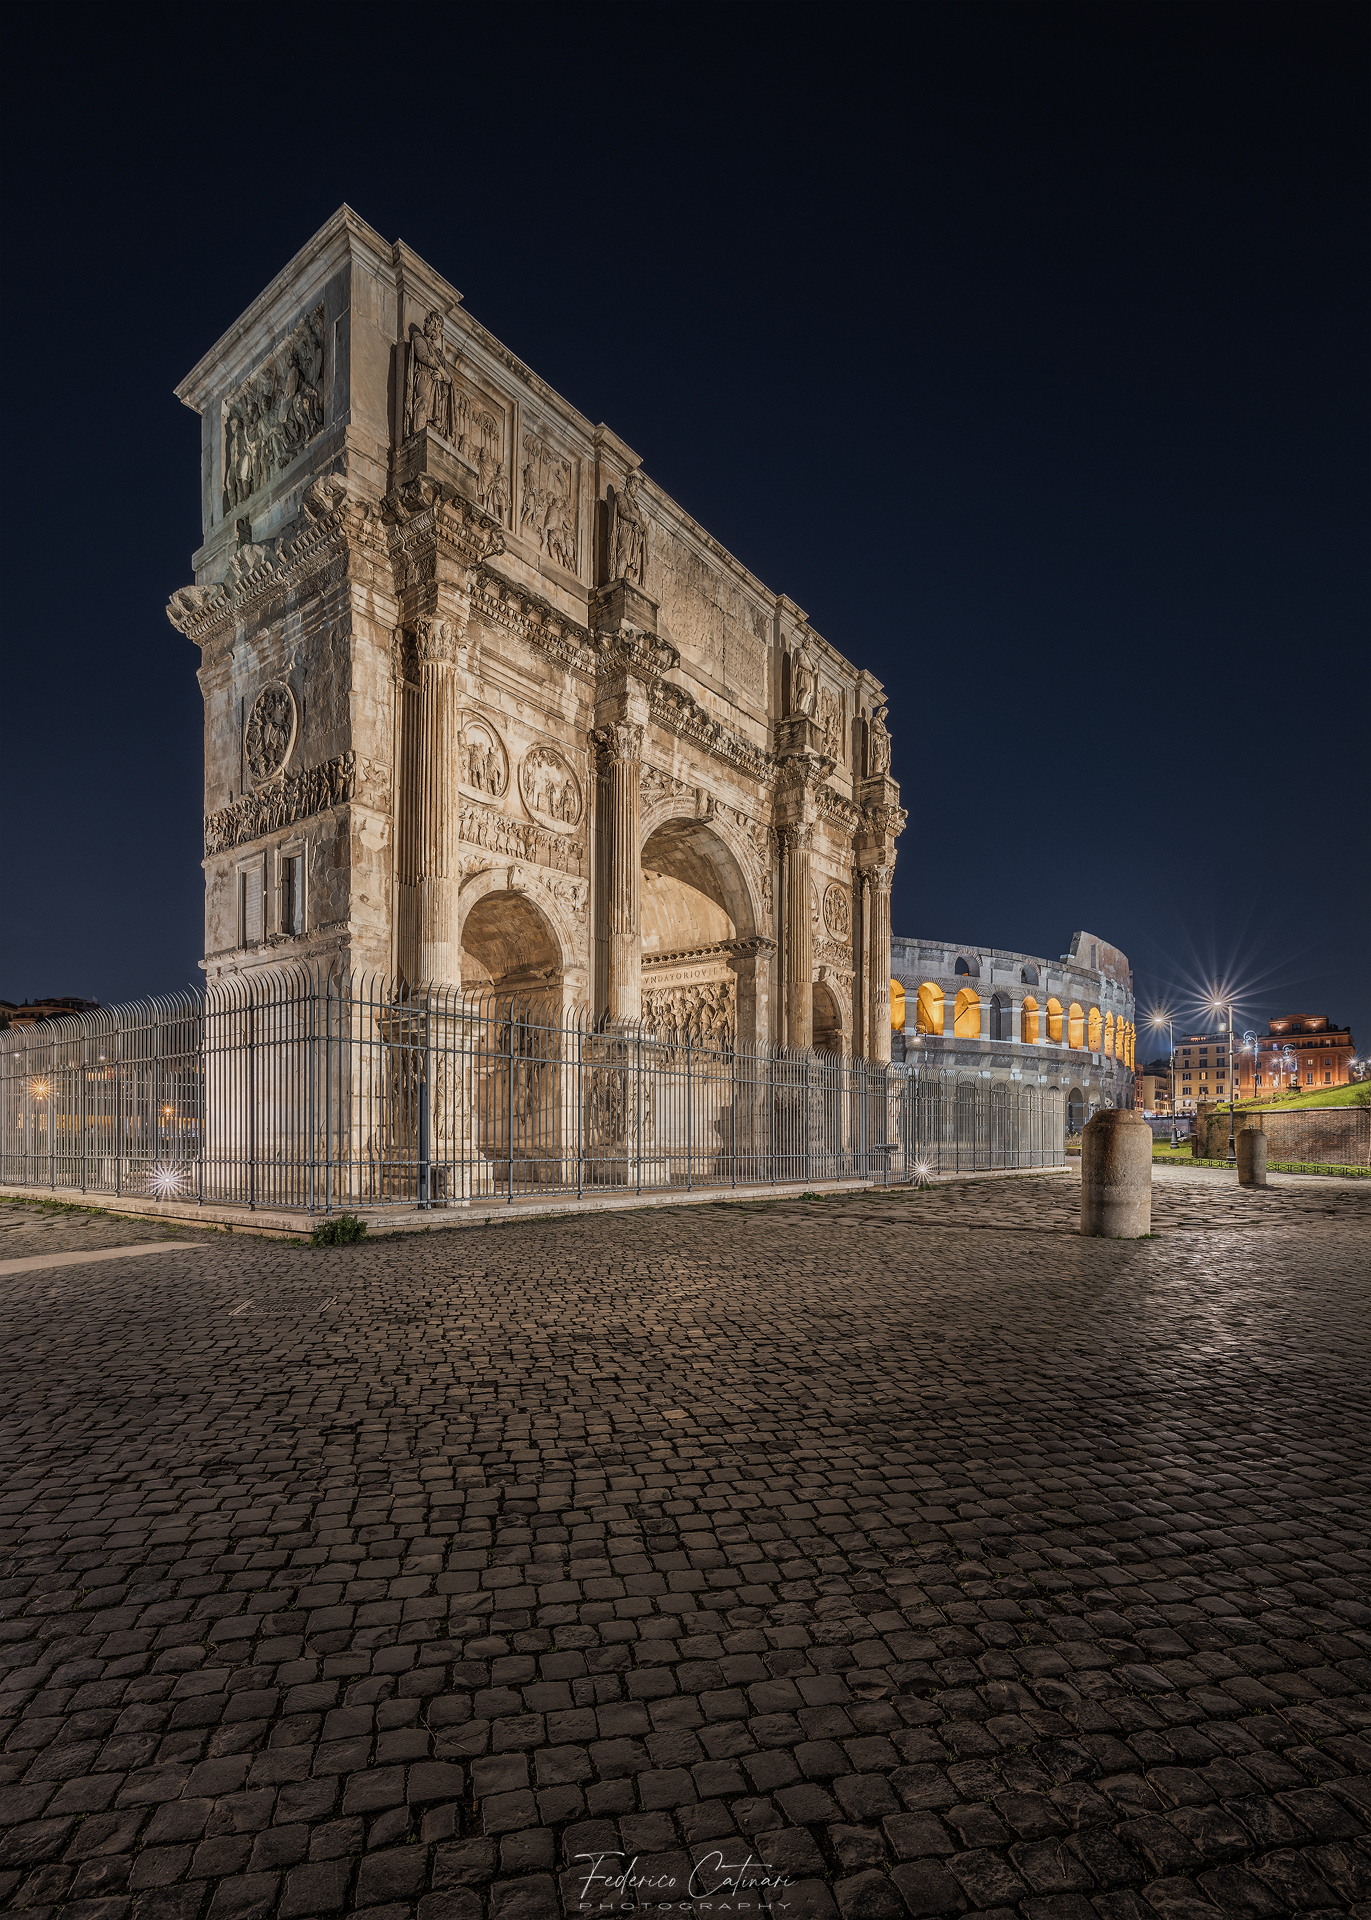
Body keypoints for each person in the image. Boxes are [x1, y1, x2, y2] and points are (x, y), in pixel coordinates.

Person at [406, 309, 459, 441]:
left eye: (428, 323)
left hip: (436, 383)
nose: (424, 325)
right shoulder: (418, 338)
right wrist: (439, 368)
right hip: (423, 376)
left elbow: (449, 378)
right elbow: (422, 355)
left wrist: (442, 376)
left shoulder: (439, 353)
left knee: (435, 414)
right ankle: (417, 433)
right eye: (426, 322)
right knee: (422, 403)